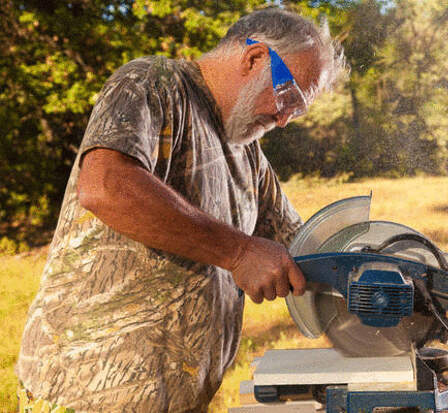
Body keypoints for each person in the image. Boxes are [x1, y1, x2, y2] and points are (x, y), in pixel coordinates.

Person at [16, 8, 346, 412]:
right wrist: (239, 252)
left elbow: (307, 247)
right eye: (287, 96)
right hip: (86, 394)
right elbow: (105, 186)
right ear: (255, 58)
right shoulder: (153, 83)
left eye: (296, 111)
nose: (282, 119)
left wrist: (393, 271)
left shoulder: (248, 155)